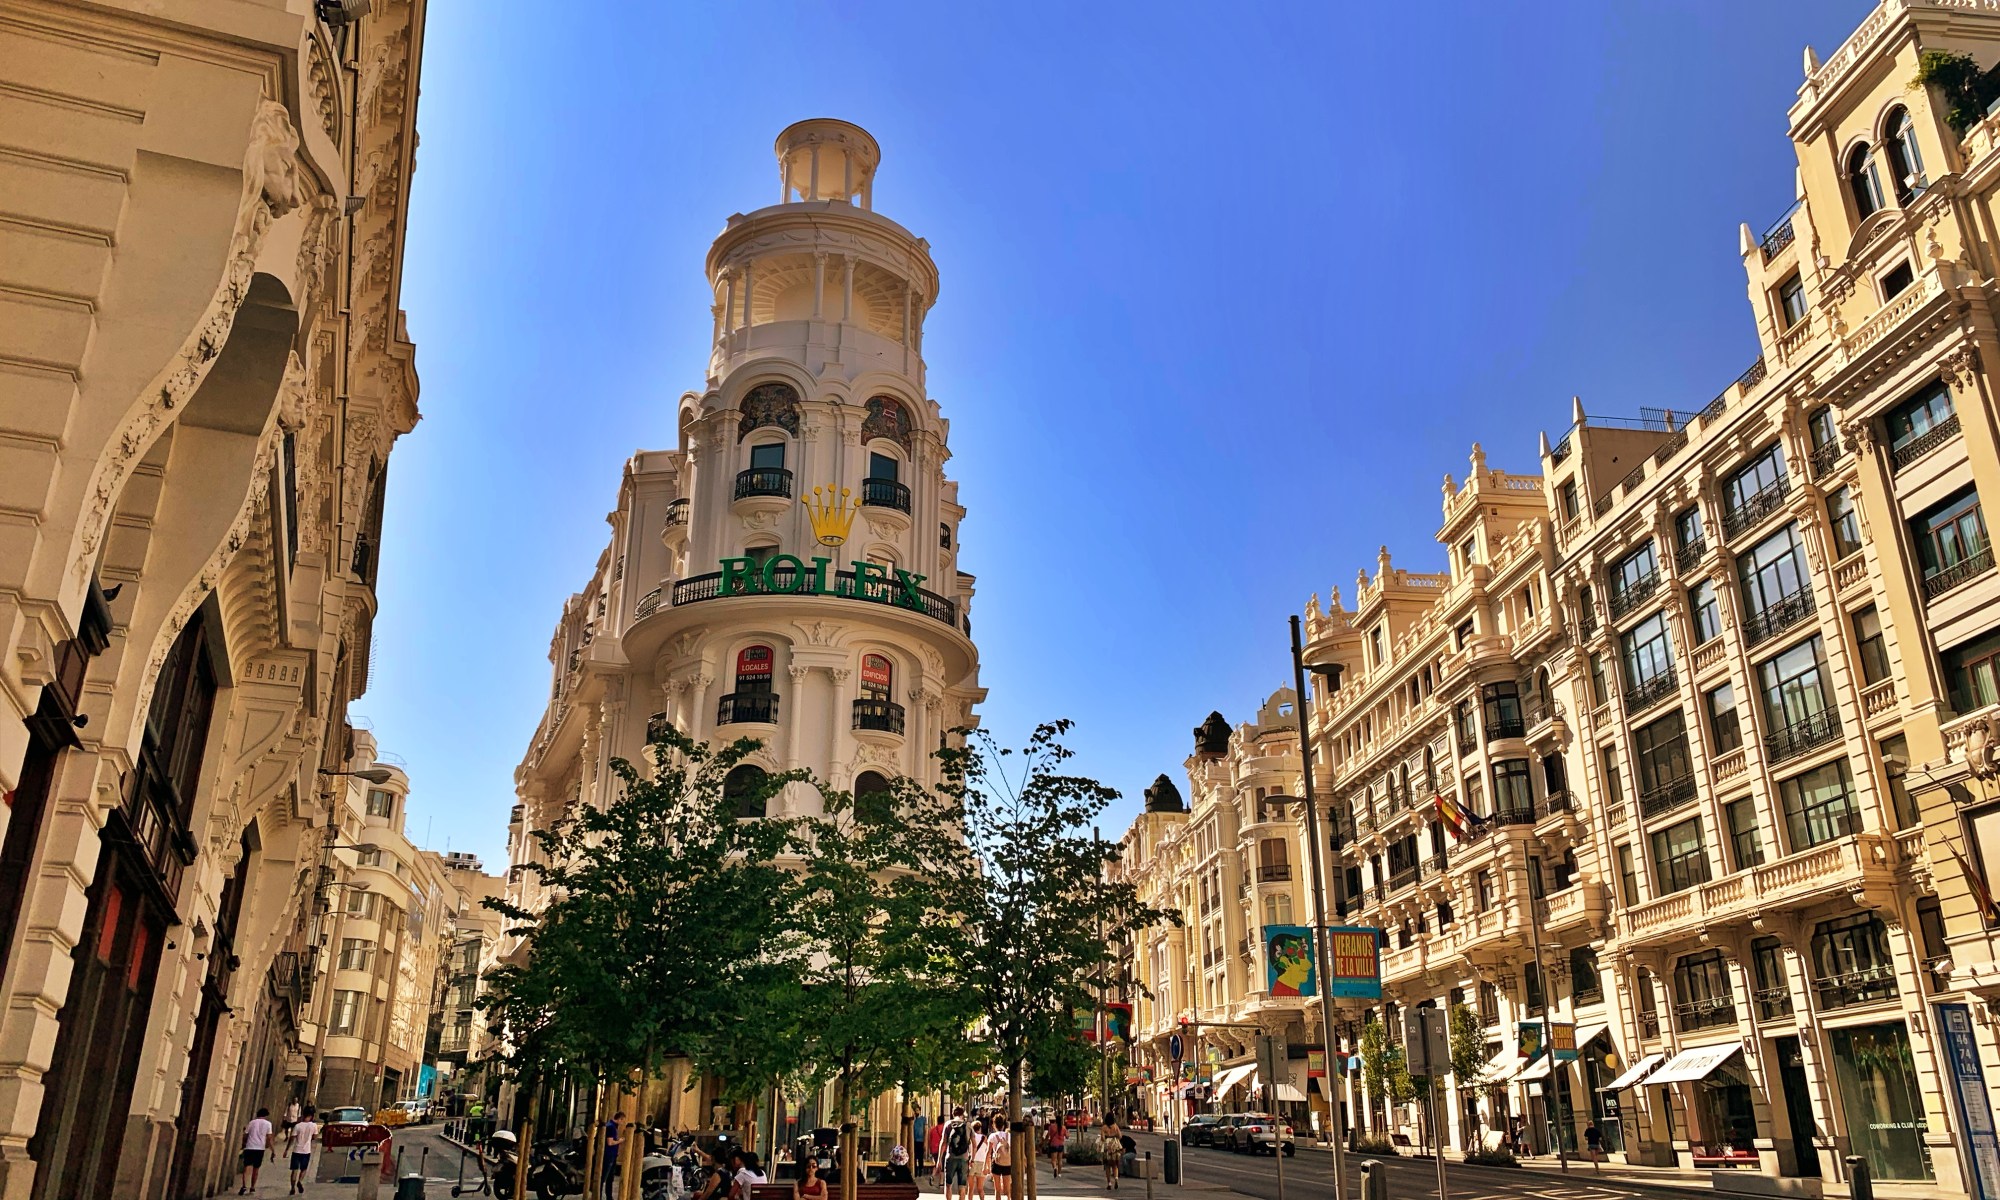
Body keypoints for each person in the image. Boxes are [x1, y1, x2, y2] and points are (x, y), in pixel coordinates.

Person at [939, 1107, 971, 1200]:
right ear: (962, 1114)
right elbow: (974, 1143)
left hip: (950, 1157)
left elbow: (943, 1142)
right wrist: (972, 1158)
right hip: (964, 1158)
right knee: (962, 1186)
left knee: (948, 1184)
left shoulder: (948, 1124)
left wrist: (939, 1160)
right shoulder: (967, 1125)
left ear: (953, 1114)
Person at [239, 1107, 273, 1195]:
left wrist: (244, 1144)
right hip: (260, 1148)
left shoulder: (252, 1122)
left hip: (250, 1147)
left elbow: (245, 1135)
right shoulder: (268, 1124)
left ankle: (244, 1186)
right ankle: (252, 1187)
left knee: (246, 1167)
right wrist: (272, 1150)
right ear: (265, 1115)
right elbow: (269, 1138)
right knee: (256, 1169)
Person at [286, 1106, 320, 1196]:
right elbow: (315, 1137)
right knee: (303, 1169)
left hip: (296, 1150)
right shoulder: (314, 1126)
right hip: (306, 1151)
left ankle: (292, 1188)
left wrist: (286, 1150)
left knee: (294, 1170)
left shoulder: (297, 1126)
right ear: (312, 1116)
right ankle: (300, 1181)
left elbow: (292, 1138)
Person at [967, 1118, 994, 1200]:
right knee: (980, 1188)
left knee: (970, 1188)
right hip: (982, 1163)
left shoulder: (970, 1138)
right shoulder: (984, 1138)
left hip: (972, 1162)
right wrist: (988, 1165)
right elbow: (988, 1152)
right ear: (980, 1128)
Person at [987, 1118, 1012, 1196]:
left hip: (996, 1162)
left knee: (997, 1190)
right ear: (1003, 1125)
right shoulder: (1009, 1135)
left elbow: (988, 1152)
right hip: (1007, 1162)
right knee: (1007, 1188)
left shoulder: (992, 1136)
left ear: (994, 1125)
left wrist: (986, 1165)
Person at [1098, 1120, 1122, 1191]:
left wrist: (1106, 1136)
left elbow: (1102, 1138)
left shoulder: (1104, 1127)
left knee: (1107, 1166)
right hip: (1114, 1146)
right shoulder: (1115, 1126)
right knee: (1115, 1165)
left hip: (1107, 1147)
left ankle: (1109, 1183)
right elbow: (1120, 1136)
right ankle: (1116, 1179)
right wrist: (1114, 1136)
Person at [606, 1111, 626, 1193]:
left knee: (610, 1178)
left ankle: (609, 1196)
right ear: (619, 1119)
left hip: (611, 1155)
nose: (622, 1123)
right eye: (622, 1120)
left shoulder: (610, 1126)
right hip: (609, 1155)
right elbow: (610, 1142)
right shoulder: (611, 1127)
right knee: (606, 1177)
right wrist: (619, 1141)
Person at [1045, 1110, 1067, 1178]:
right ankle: (1059, 1174)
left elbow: (1048, 1135)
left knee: (1053, 1160)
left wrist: (1046, 1141)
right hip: (1061, 1144)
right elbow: (1067, 1136)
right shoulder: (1063, 1127)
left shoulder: (1051, 1126)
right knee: (1060, 1160)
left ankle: (1055, 1168)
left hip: (1053, 1144)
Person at [911, 1107, 929, 1173]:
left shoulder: (923, 1119)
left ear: (920, 1111)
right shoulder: (913, 1120)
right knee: (914, 1156)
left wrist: (925, 1142)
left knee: (920, 1156)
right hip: (914, 1140)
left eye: (917, 1110)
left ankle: (921, 1169)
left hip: (921, 1140)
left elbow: (925, 1130)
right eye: (915, 1110)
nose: (916, 1112)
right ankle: (915, 1170)